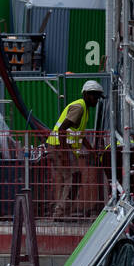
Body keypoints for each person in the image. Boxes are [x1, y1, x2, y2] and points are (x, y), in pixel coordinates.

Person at [47, 80, 105, 219]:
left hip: (63, 148)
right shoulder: (79, 107)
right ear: (85, 94)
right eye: (94, 96)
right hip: (59, 147)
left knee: (75, 177)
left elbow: (80, 134)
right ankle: (59, 212)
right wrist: (65, 154)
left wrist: (92, 151)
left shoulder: (84, 109)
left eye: (97, 97)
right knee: (71, 178)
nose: (96, 100)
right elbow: (62, 130)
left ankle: (62, 210)